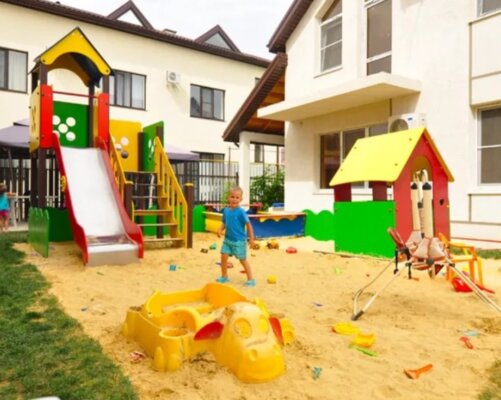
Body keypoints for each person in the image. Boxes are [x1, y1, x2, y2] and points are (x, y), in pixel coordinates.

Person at [216, 186, 256, 287]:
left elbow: (248, 225)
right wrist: (220, 229)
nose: (234, 199)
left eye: (237, 197)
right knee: (223, 256)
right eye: (232, 197)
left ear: (241, 199)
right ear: (228, 197)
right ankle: (224, 276)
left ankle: (251, 279)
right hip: (228, 240)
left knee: (242, 260)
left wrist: (251, 239)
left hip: (239, 241)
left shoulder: (241, 212)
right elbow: (224, 223)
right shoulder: (226, 211)